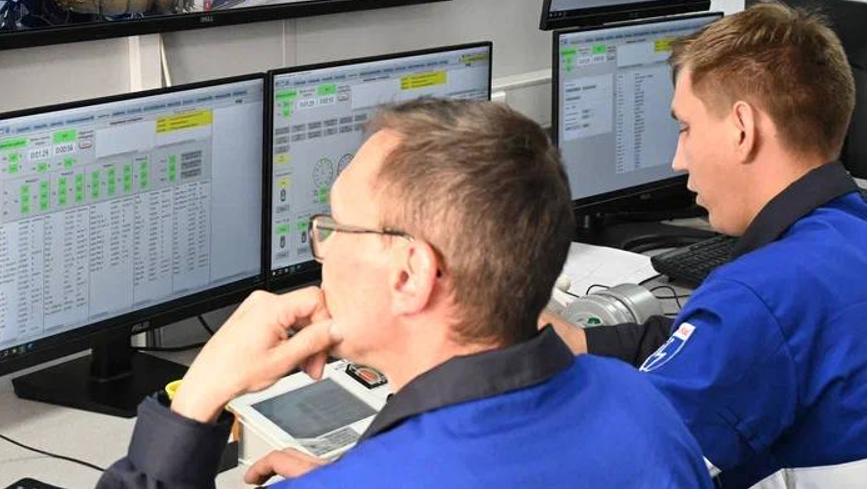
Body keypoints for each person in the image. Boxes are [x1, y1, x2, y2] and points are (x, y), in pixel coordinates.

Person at [98, 100, 711, 488]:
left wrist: (198, 396)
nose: (322, 249)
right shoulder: (641, 404)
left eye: (335, 227)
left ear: (411, 273)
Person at [546, 2, 867, 487]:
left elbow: (612, 467)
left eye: (685, 127)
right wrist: (584, 341)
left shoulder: (760, 296)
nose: (679, 159)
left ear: (742, 129)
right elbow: (761, 341)